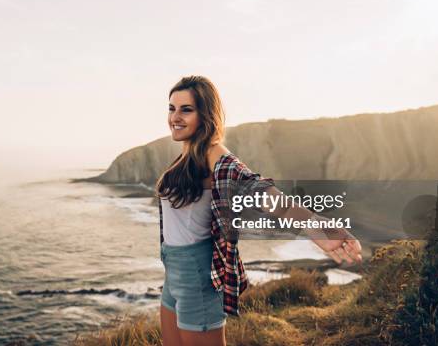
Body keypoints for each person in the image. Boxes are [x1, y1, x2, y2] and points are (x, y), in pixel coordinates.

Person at [155, 75, 363, 346]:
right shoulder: (186, 155)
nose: (175, 117)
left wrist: (315, 226)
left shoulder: (214, 153)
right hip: (174, 272)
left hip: (197, 275)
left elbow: (256, 189)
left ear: (205, 115)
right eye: (172, 108)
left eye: (186, 109)